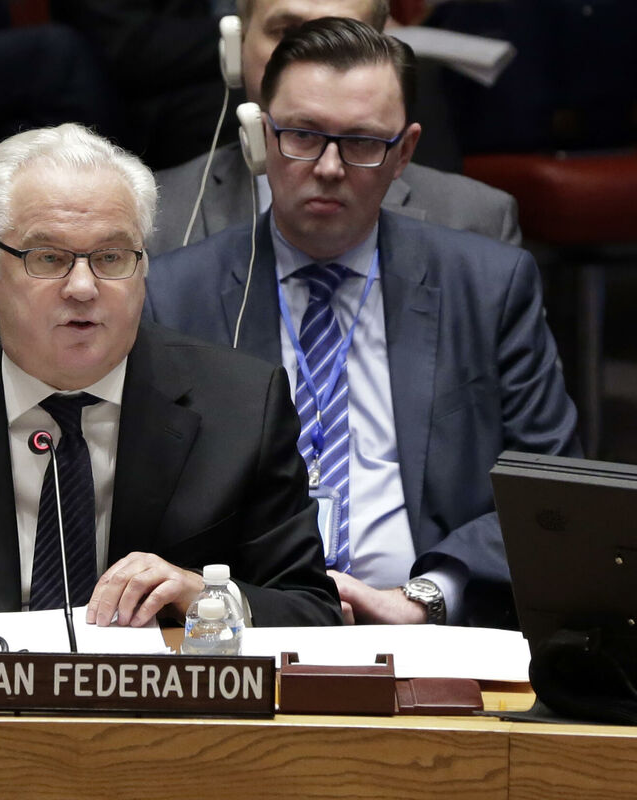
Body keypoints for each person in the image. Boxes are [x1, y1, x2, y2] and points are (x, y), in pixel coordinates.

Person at [147, 18, 580, 627]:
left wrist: (425, 598)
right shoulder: (173, 294)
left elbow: (551, 492)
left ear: (404, 152)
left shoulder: (487, 286)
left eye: (361, 142)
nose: (328, 167)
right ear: (262, 138)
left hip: (427, 628)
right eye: (302, 135)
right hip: (243, 625)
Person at [0, 123, 342, 631]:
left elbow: (311, 610)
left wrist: (204, 597)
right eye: (48, 258)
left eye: (111, 258)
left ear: (143, 267)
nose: (82, 287)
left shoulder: (241, 407)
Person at [147, 0, 520, 255]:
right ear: (236, 49)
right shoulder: (153, 216)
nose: (311, 63)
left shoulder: (475, 222)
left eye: (342, 38)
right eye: (287, 32)